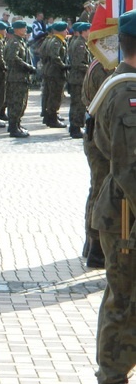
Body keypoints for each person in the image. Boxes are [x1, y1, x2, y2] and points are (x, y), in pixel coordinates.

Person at [91, 9, 136, 384]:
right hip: (127, 219)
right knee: (123, 306)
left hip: (128, 216)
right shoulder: (127, 94)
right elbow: (130, 167)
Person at [82, 57, 112, 269]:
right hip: (101, 135)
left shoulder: (100, 60)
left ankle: (92, 243)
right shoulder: (105, 64)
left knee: (98, 188)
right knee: (101, 189)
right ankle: (96, 247)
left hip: (101, 132)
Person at [4, 20, 35, 138]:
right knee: (16, 103)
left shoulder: (20, 41)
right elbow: (12, 57)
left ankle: (16, 124)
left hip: (21, 77)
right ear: (17, 30)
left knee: (21, 103)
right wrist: (27, 66)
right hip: (16, 78)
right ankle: (13, 127)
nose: (25, 30)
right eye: (23, 28)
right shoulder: (15, 43)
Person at [40, 21, 69, 128]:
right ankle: (52, 119)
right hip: (55, 73)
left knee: (51, 95)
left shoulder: (55, 40)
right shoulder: (56, 42)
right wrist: (64, 66)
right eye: (65, 30)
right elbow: (55, 56)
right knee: (55, 96)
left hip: (52, 71)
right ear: (60, 31)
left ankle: (49, 117)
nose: (67, 31)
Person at [67, 22, 91, 139]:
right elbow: (79, 63)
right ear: (84, 31)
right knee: (78, 104)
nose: (90, 32)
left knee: (76, 103)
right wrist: (90, 68)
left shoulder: (81, 43)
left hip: (77, 78)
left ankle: (74, 127)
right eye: (89, 30)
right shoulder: (80, 44)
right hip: (78, 79)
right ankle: (75, 128)